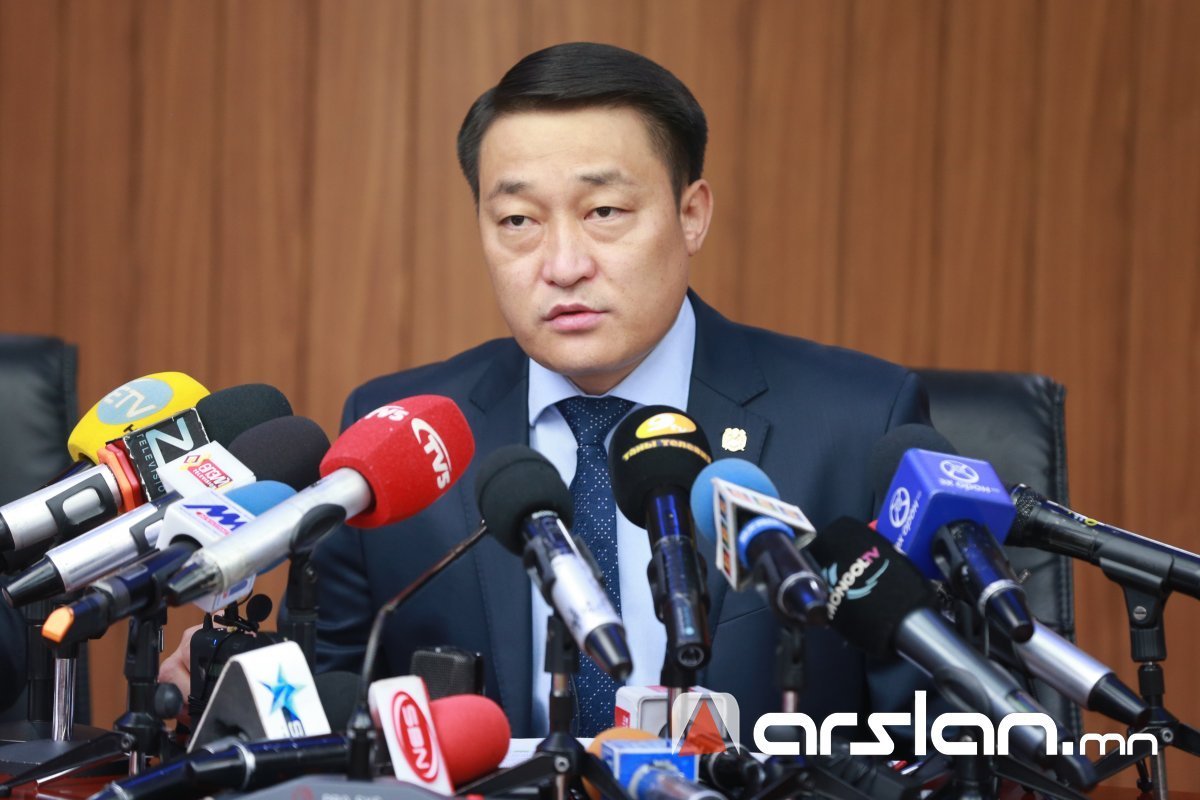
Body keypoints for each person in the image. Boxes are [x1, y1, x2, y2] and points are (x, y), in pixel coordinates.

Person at [163, 42, 931, 738]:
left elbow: (930, 735)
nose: (562, 265)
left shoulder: (855, 423)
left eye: (605, 212)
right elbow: (336, 703)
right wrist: (249, 682)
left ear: (691, 214)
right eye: (518, 221)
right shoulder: (402, 438)